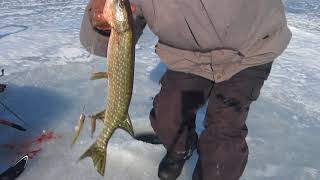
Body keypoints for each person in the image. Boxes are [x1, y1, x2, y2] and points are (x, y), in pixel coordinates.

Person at [80, 0, 292, 179]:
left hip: (248, 51)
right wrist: (100, 22)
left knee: (222, 141)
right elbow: (120, 28)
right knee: (167, 116)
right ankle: (181, 149)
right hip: (188, 56)